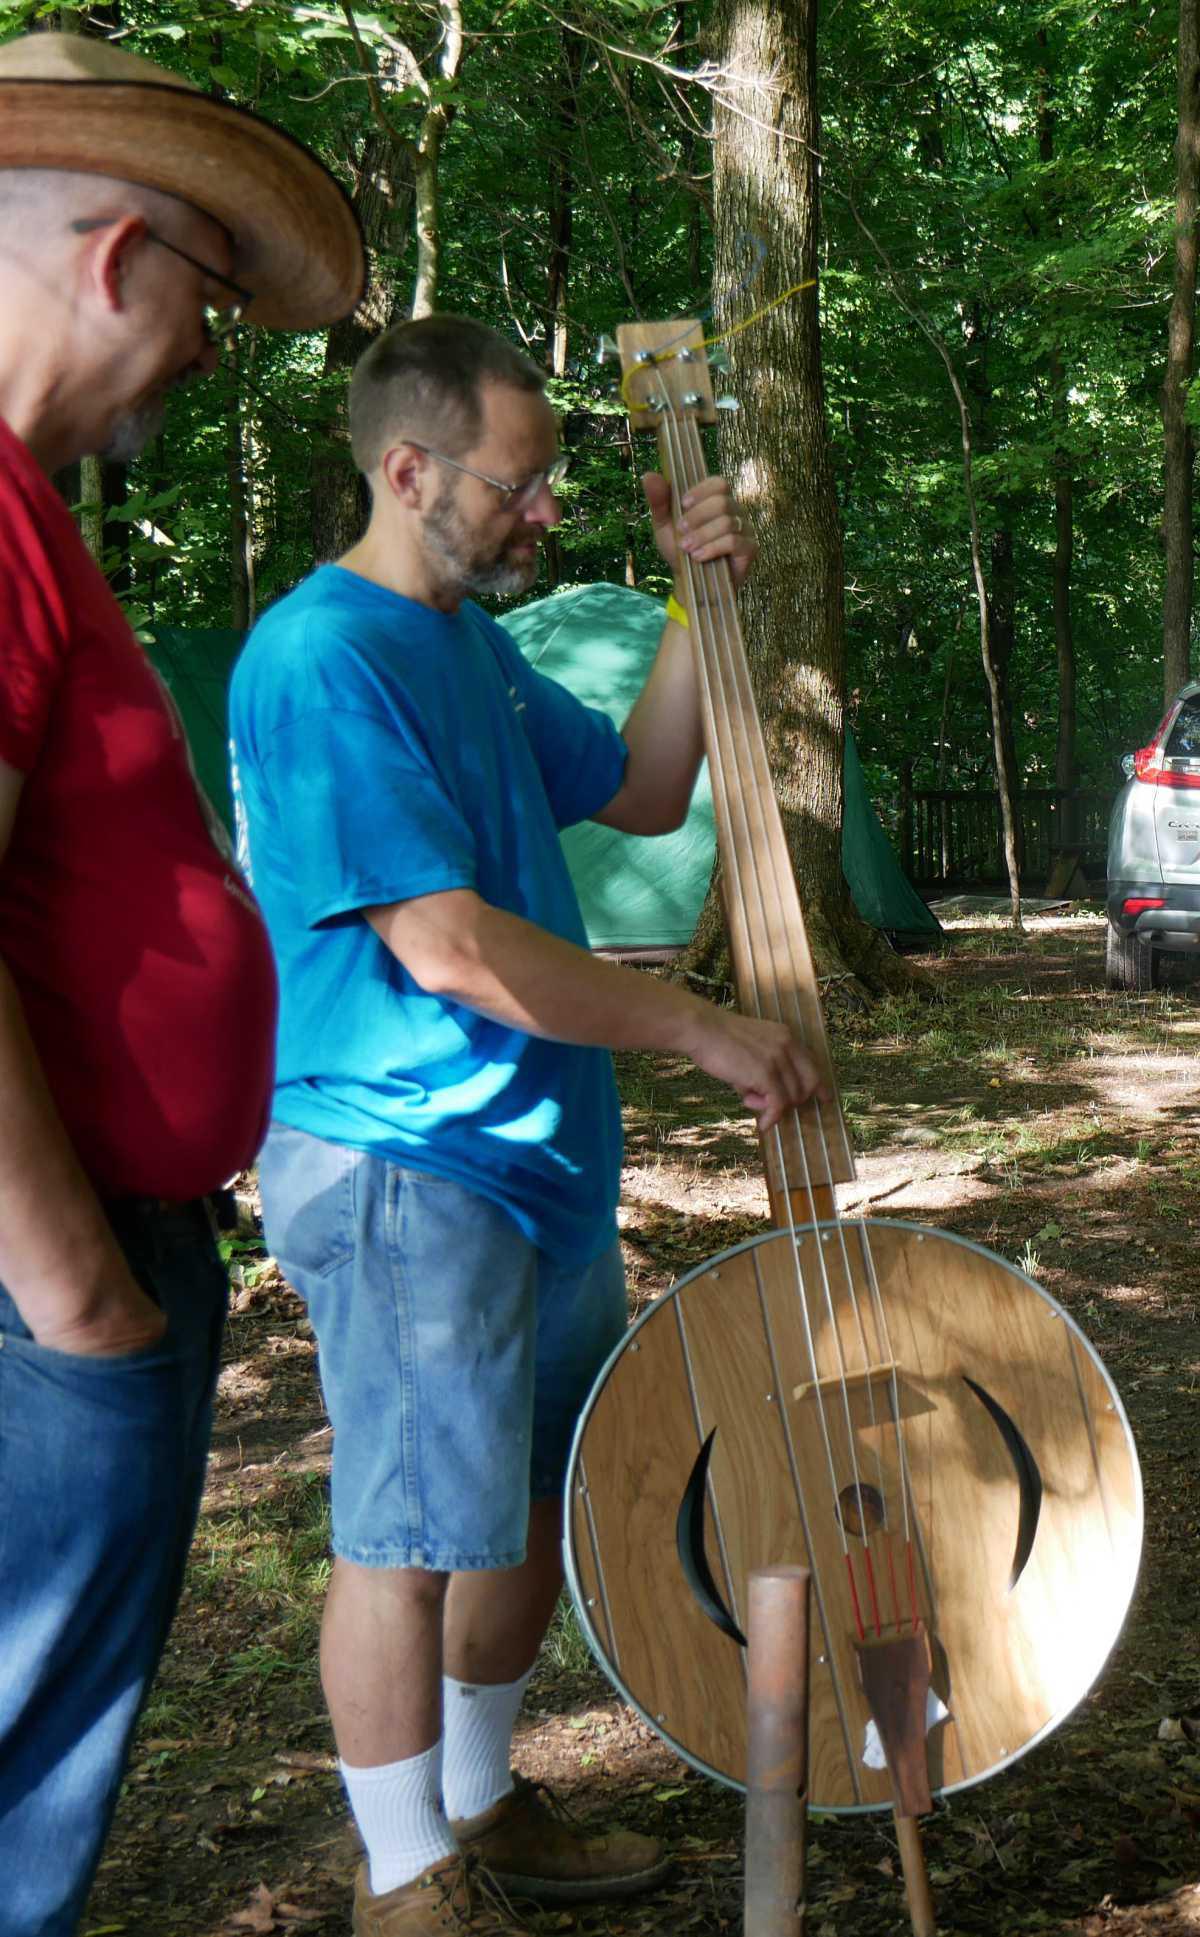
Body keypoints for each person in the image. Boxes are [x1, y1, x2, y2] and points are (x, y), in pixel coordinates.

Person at [229, 314, 825, 1937]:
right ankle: (405, 1875)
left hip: (540, 1163)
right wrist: (699, 1023)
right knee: (410, 1533)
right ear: (410, 469)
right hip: (407, 1160)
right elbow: (448, 946)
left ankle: (482, 1802)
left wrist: (702, 597)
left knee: (521, 1516)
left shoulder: (469, 647)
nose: (543, 513)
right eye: (521, 482)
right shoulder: (322, 656)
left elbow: (639, 788)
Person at [0, 30, 364, 1936]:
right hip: (45, 1295)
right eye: (214, 300)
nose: (210, 355)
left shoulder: (30, 515)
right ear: (121, 254)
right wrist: (77, 1296)